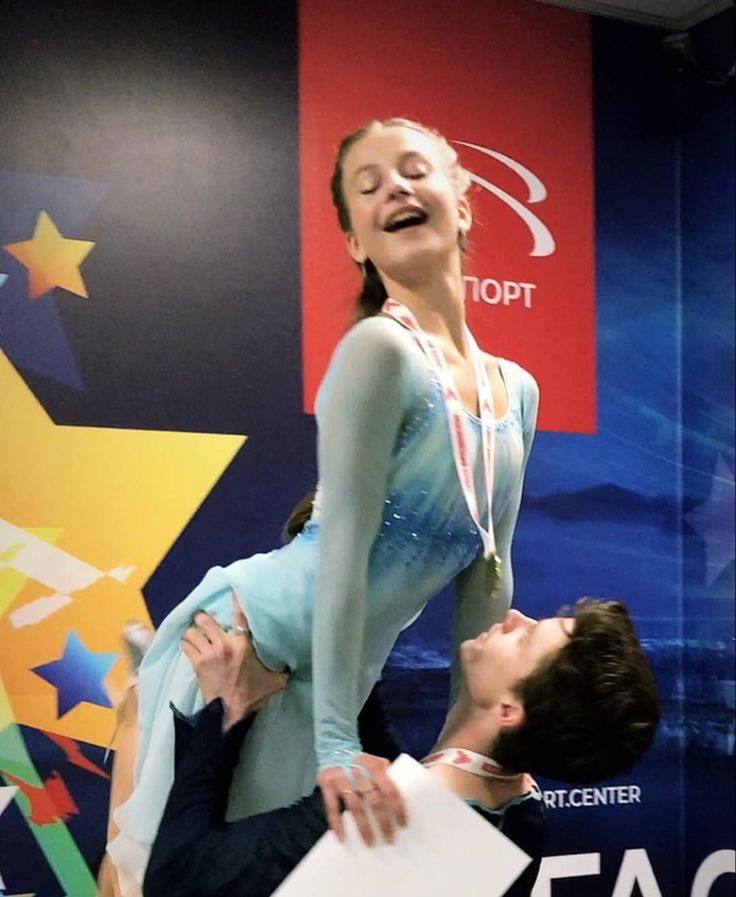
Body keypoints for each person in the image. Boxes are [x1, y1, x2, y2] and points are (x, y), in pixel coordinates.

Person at [108, 117, 540, 891]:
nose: (396, 189)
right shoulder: (380, 350)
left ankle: (141, 700)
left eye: (414, 170)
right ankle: (150, 694)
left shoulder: (519, 390)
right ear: (354, 243)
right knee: (158, 876)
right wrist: (337, 742)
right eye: (368, 187)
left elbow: (489, 577)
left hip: (334, 673)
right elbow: (342, 547)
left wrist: (456, 749)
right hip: (257, 645)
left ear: (464, 204)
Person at [142, 596, 660, 897]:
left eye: (525, 640)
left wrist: (226, 715)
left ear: (510, 711)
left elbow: (175, 874)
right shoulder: (521, 808)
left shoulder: (379, 811)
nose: (515, 617)